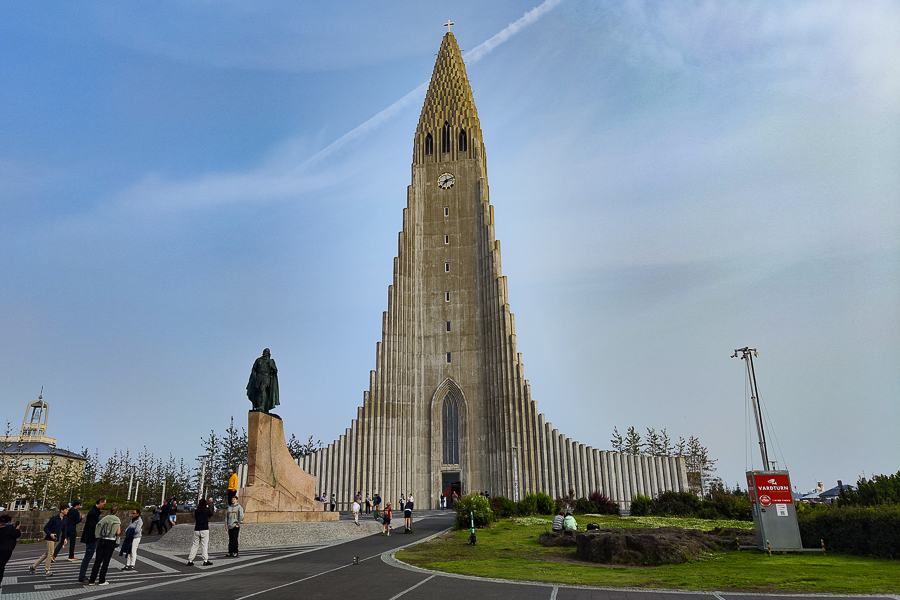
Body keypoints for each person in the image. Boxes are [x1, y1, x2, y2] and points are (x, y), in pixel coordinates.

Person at [29, 504, 68, 577]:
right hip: (50, 538)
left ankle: (33, 567)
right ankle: (47, 570)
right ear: (62, 510)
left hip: (56, 538)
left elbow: (64, 529)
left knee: (46, 554)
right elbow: (46, 528)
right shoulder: (54, 518)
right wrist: (50, 534)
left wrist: (65, 538)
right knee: (51, 553)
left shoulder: (65, 519)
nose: (67, 511)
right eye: (66, 510)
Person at [88, 507, 121, 586]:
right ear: (116, 512)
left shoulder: (104, 519)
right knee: (106, 561)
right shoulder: (117, 520)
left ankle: (92, 580)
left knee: (97, 561)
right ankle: (102, 580)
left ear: (109, 511)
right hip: (111, 541)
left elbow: (98, 527)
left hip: (102, 540)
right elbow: (118, 532)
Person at [77, 497, 106, 584]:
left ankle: (82, 575)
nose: (104, 505)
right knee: (87, 557)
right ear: (100, 502)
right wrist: (100, 525)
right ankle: (82, 576)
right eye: (103, 504)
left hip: (93, 537)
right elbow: (92, 525)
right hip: (91, 537)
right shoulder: (93, 513)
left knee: (88, 556)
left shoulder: (94, 512)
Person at [246, 348, 280, 413]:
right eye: (265, 351)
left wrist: (272, 366)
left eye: (267, 352)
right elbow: (254, 369)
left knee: (262, 389)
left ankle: (262, 406)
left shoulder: (271, 361)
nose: (266, 353)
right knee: (258, 391)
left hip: (266, 377)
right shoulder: (258, 360)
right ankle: (259, 406)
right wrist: (254, 376)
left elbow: (275, 370)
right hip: (258, 377)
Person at [186, 498, 214, 566]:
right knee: (204, 545)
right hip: (204, 529)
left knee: (195, 545)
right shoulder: (206, 510)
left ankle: (190, 560)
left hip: (197, 529)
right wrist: (207, 508)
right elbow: (211, 515)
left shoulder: (196, 511)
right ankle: (205, 560)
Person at [0, 515, 22, 591]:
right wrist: (17, 529)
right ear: (9, 522)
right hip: (6, 550)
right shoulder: (11, 529)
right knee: (1, 565)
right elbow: (17, 534)